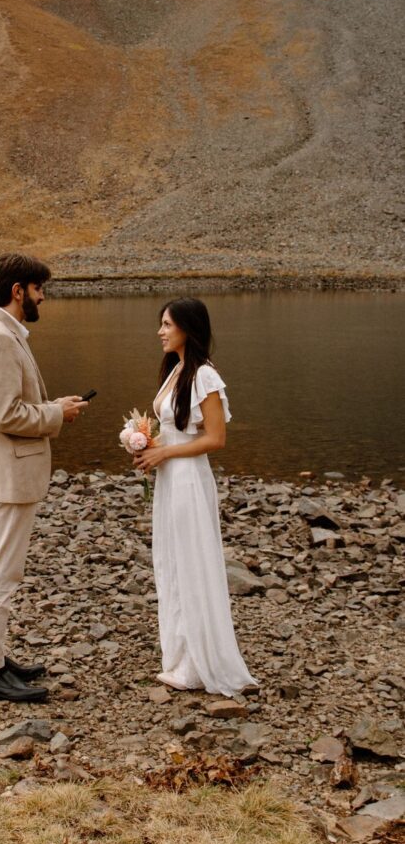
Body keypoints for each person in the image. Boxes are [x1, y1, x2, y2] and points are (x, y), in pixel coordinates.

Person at [0, 252, 86, 702]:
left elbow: (10, 402)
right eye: (39, 289)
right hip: (10, 477)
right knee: (2, 575)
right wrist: (55, 413)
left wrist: (55, 404)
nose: (42, 297)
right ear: (19, 291)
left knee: (0, 571)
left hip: (4, 471)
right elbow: (6, 414)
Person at [133, 297, 256, 697]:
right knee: (170, 561)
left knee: (191, 561)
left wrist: (164, 451)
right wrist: (144, 443)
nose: (160, 331)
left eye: (167, 324)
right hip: (170, 479)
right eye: (161, 324)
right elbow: (173, 429)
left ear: (188, 327)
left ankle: (201, 663)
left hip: (187, 480)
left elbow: (215, 438)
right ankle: (182, 657)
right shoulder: (177, 370)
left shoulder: (204, 375)